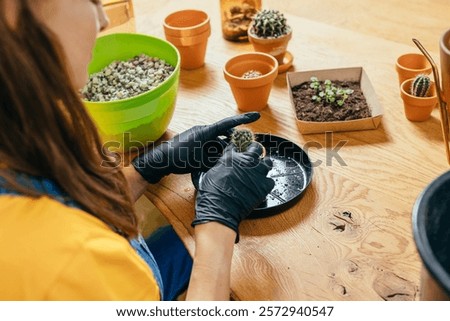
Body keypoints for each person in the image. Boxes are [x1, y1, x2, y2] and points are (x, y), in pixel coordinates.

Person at [0, 0, 274, 301]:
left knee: (177, 241)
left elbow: (66, 208)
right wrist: (218, 220)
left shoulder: (17, 134)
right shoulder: (73, 263)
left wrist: (146, 169)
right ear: (12, 10)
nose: (103, 19)